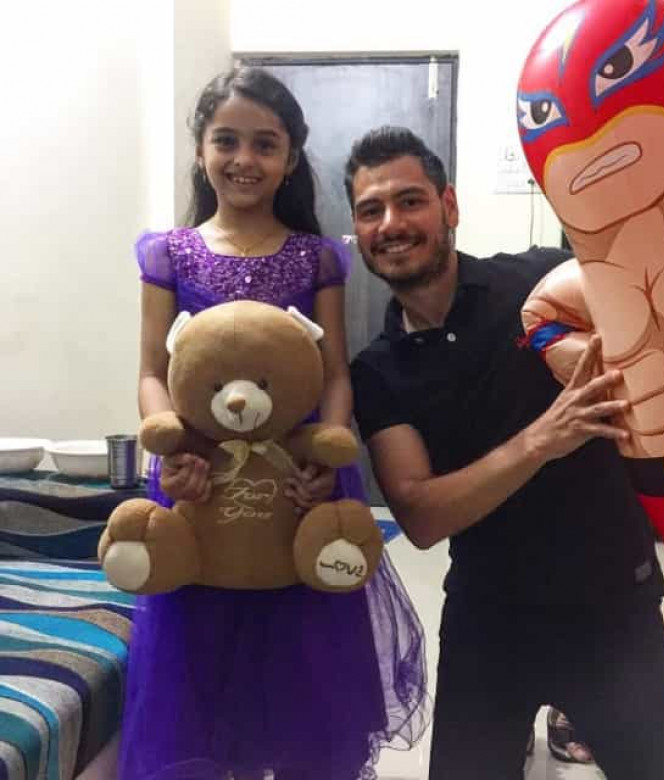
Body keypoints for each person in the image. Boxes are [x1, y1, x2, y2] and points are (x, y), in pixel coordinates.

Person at [347, 126, 664, 780]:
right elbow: (421, 515)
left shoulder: (541, 280)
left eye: (410, 201)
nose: (391, 223)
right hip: (488, 617)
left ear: (449, 206)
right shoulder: (377, 371)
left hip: (612, 606)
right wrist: (544, 439)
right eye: (371, 210)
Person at [119, 70, 427, 780]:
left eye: (265, 143)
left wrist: (328, 457)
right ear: (201, 149)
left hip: (298, 484)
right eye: (226, 140)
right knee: (200, 676)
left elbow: (336, 373)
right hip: (199, 482)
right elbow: (151, 372)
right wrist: (170, 444)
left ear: (290, 158)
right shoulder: (168, 254)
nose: (244, 159)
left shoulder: (316, 257)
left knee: (304, 678)